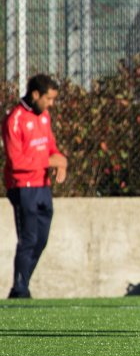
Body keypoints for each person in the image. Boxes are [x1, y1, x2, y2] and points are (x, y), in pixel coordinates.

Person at [4, 74, 67, 299]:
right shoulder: (15, 120)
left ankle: (21, 285)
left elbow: (51, 148)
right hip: (23, 186)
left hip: (43, 185)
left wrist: (62, 161)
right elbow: (16, 162)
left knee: (41, 239)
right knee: (29, 238)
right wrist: (50, 162)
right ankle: (20, 289)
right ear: (35, 95)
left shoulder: (44, 117)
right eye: (48, 99)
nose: (51, 104)